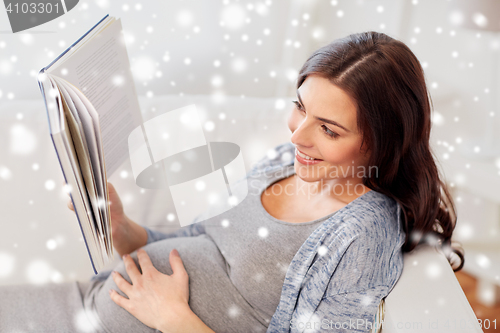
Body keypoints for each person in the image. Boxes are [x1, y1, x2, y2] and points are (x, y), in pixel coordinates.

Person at [0, 31, 463, 333]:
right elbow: (197, 242)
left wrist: (173, 317)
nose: (296, 134)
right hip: (86, 303)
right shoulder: (287, 160)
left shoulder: (362, 235)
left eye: (328, 128)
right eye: (300, 106)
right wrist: (120, 225)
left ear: (380, 143)